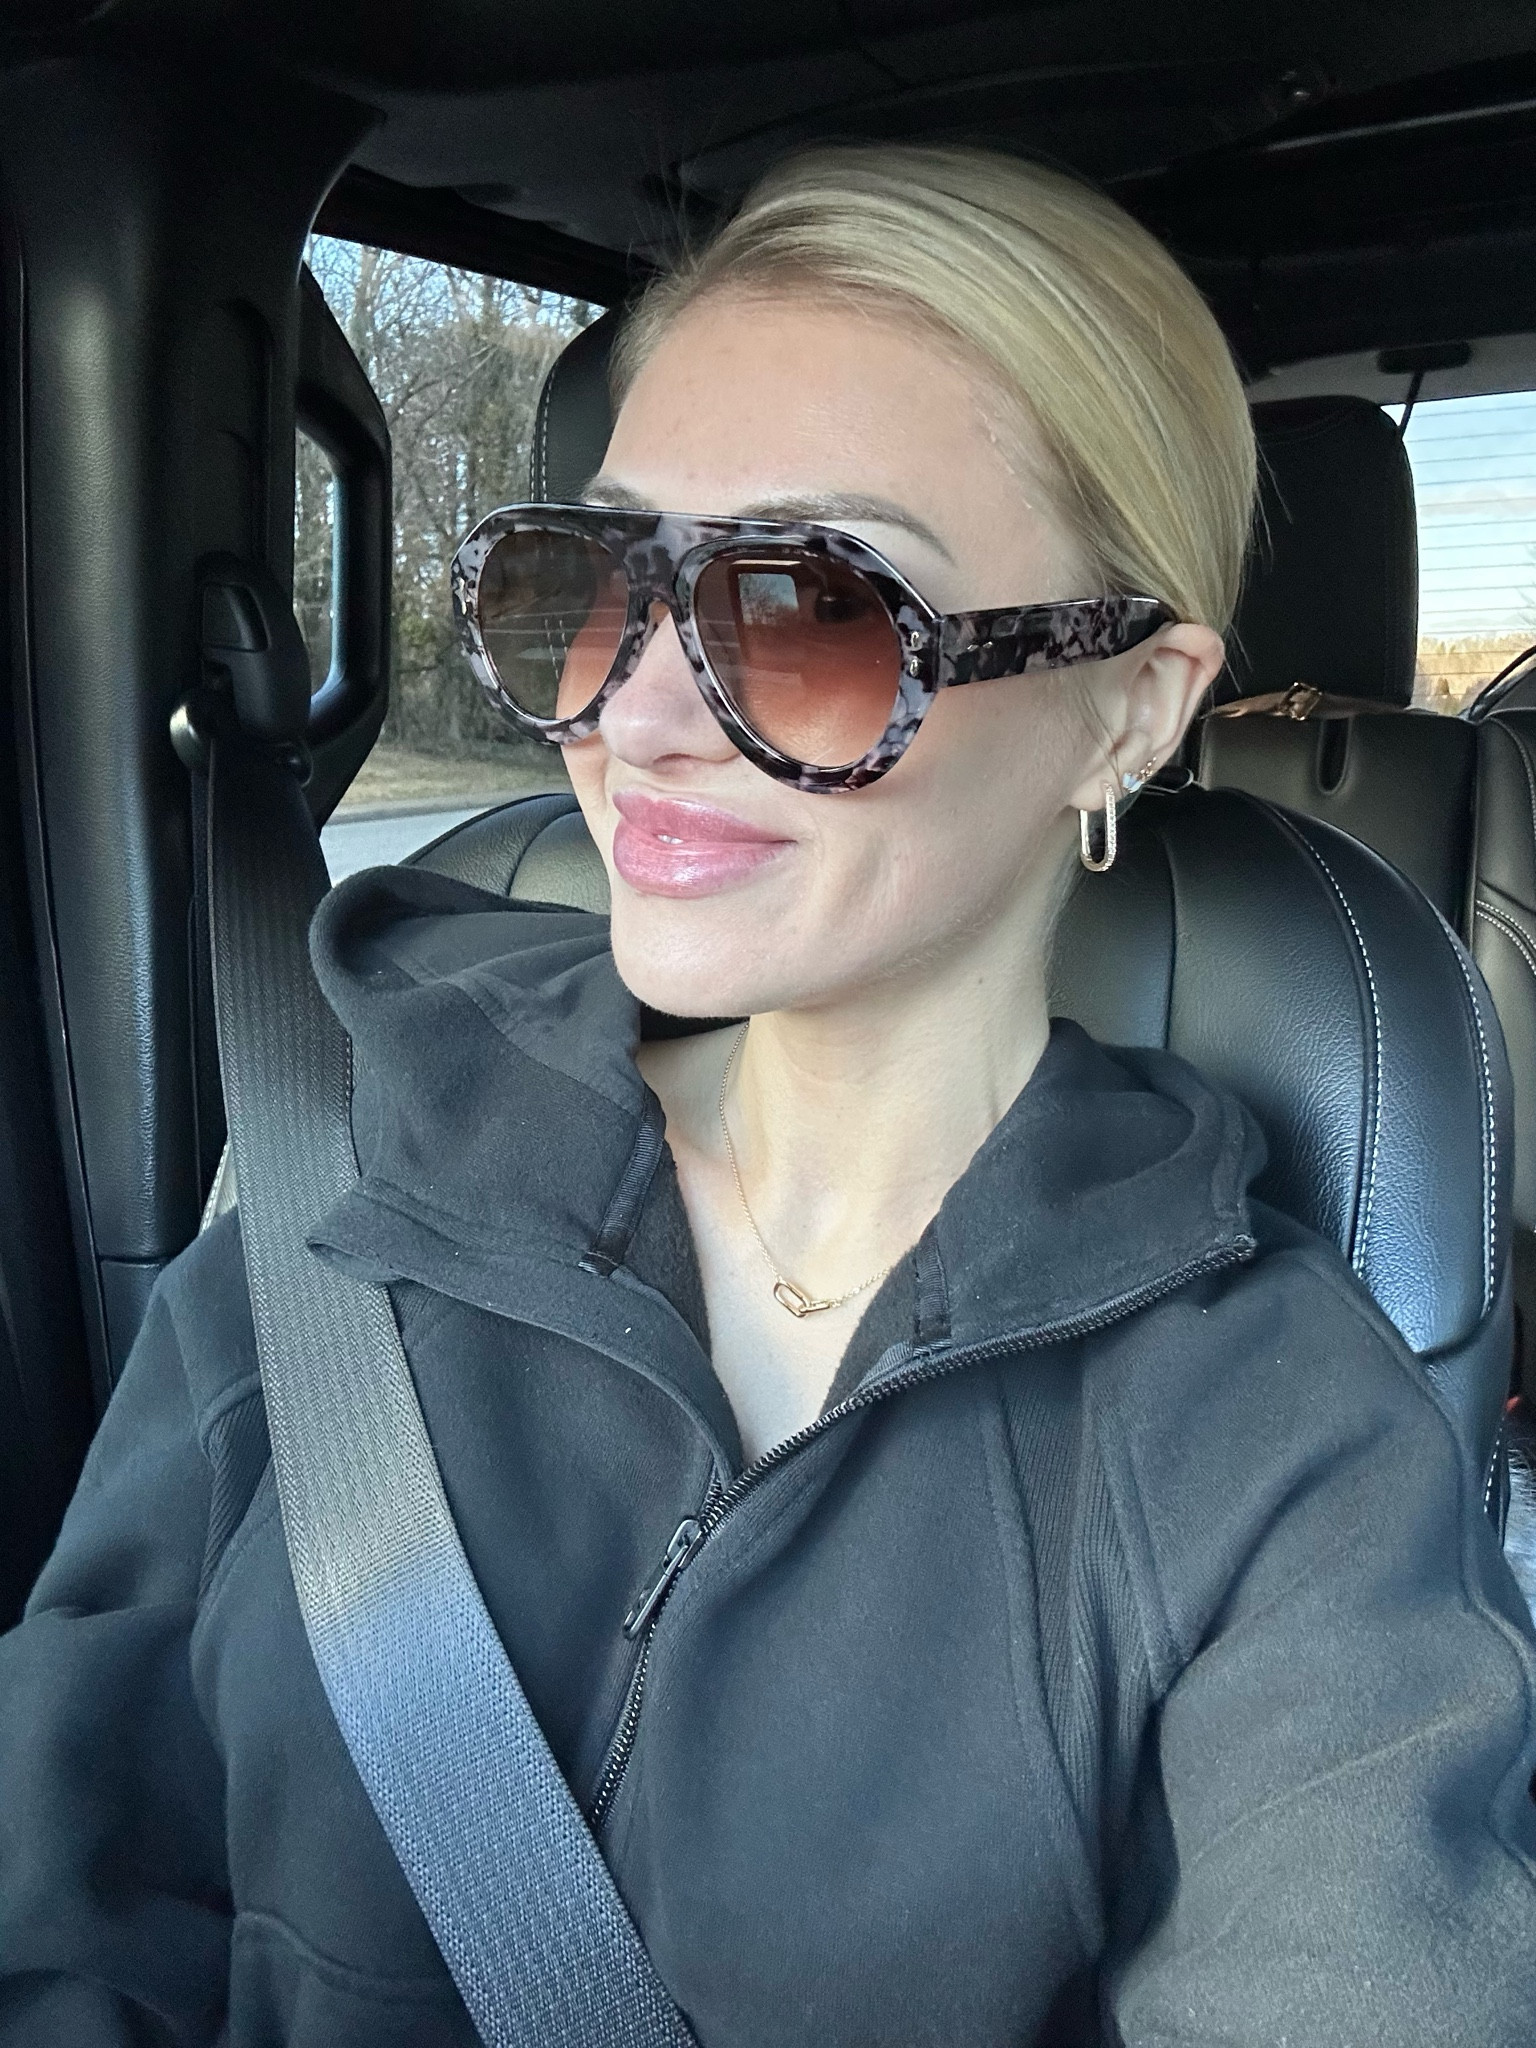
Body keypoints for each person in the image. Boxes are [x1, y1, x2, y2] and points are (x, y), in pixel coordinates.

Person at [2, 142, 1535, 2047]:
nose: (631, 719)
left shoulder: (1279, 1438)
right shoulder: (355, 1163)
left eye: (809, 609)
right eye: (588, 584)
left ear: (1132, 707)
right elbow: (64, 1892)